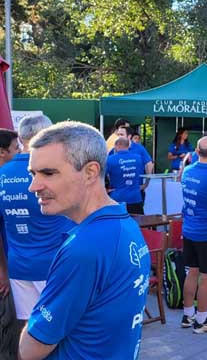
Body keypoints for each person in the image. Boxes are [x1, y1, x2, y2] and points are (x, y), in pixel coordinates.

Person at [18, 121, 149, 359]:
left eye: (48, 173)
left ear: (90, 172)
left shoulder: (85, 247)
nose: (33, 186)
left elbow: (30, 350)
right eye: (33, 173)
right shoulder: (124, 223)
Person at [0, 115, 73, 324]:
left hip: (19, 266)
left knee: (29, 328)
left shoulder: (2, 174)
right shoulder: (55, 173)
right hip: (57, 266)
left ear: (21, 139)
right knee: (58, 329)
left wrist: (3, 270)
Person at [180, 136, 207, 334]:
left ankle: (188, 315)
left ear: (196, 152)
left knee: (192, 272)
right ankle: (202, 320)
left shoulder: (187, 171)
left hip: (189, 229)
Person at [106, 137, 145, 214]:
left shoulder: (110, 159)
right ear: (128, 146)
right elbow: (144, 171)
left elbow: (100, 176)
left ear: (116, 145)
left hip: (117, 198)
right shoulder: (138, 158)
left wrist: (105, 189)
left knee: (118, 224)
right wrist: (145, 184)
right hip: (135, 198)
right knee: (138, 223)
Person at [111, 125, 153, 192]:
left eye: (121, 135)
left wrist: (146, 184)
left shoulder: (139, 148)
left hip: (136, 189)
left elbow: (149, 164)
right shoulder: (113, 150)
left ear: (129, 136)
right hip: (119, 190)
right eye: (118, 135)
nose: (119, 137)